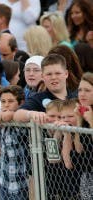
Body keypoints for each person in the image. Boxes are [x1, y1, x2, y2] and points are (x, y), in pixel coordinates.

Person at [13, 54, 76, 123]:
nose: (53, 77)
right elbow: (17, 115)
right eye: (49, 74)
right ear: (42, 76)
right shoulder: (38, 99)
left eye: (58, 73)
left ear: (66, 74)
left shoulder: (76, 97)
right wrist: (31, 114)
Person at [73, 72, 93, 200]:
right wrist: (79, 121)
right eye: (80, 90)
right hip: (87, 172)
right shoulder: (84, 112)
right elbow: (79, 148)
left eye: (87, 90)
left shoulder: (89, 115)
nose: (82, 94)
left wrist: (91, 122)